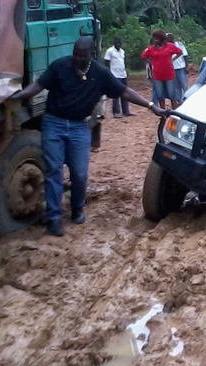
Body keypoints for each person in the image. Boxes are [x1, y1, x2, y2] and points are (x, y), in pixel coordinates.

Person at [12, 37, 166, 236]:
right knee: (54, 171)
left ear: (91, 55)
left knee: (79, 173)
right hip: (54, 123)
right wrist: (20, 95)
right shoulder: (60, 66)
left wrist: (151, 106)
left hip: (79, 127)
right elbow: (38, 86)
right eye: (75, 53)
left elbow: (124, 91)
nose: (77, 58)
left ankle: (77, 207)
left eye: (82, 55)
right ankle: (54, 218)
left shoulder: (100, 74)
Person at [142, 29, 182, 110]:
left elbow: (180, 52)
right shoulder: (151, 49)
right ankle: (162, 111)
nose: (155, 40)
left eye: (157, 38)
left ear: (162, 38)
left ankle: (174, 111)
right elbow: (144, 56)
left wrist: (173, 59)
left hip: (169, 74)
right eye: (154, 38)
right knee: (160, 95)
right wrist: (151, 62)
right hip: (157, 75)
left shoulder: (170, 46)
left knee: (172, 94)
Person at [104, 37, 132, 117]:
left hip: (123, 74)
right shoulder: (110, 51)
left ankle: (125, 111)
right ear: (114, 43)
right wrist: (109, 74)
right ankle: (116, 112)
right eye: (117, 43)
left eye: (119, 43)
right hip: (114, 75)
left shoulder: (122, 51)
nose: (118, 44)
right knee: (115, 94)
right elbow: (107, 62)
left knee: (125, 93)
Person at [166, 33, 190, 102]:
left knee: (184, 85)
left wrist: (186, 66)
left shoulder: (179, 45)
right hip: (171, 69)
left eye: (169, 38)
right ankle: (179, 100)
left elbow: (185, 56)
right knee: (176, 86)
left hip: (181, 67)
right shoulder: (166, 46)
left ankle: (187, 98)